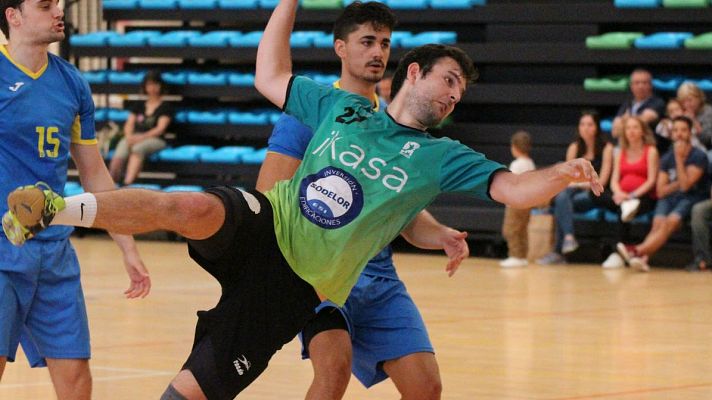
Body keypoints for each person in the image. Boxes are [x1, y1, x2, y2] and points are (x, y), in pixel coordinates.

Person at [4, 1, 602, 398]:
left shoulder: (442, 155)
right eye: (448, 81)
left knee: (197, 389)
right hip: (267, 226)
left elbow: (512, 188)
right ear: (414, 74)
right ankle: (55, 207)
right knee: (194, 208)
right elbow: (270, 75)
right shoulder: (338, 106)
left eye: (461, 92)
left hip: (303, 283)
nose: (454, 97)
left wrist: (563, 172)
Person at [256, 2, 455, 398]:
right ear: (340, 49)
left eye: (384, 43)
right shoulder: (309, 109)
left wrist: (442, 234)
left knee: (426, 387)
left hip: (377, 275)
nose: (378, 52)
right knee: (333, 371)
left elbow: (402, 215)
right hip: (319, 269)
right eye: (367, 41)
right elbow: (267, 195)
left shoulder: (392, 124)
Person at [0, 0, 151, 398]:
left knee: (76, 377)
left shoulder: (72, 83)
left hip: (53, 250)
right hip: (2, 250)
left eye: (60, 4)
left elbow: (94, 171)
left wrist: (126, 244)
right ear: (13, 16)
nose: (59, 11)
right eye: (46, 5)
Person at [617, 116, 708, 272]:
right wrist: (680, 180)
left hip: (690, 198)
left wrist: (679, 160)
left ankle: (637, 251)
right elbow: (660, 190)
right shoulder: (666, 157)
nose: (679, 134)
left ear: (690, 133)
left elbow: (686, 187)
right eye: (676, 130)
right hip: (668, 199)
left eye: (683, 130)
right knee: (657, 224)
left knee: (669, 223)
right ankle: (643, 259)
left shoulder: (698, 156)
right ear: (671, 134)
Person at [537, 111, 613, 265]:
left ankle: (559, 251)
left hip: (594, 194)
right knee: (562, 199)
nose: (585, 128)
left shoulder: (607, 148)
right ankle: (569, 238)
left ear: (597, 127)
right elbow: (567, 177)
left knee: (561, 200)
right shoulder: (574, 147)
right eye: (582, 124)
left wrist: (577, 184)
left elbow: (602, 181)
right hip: (573, 194)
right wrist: (575, 184)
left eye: (590, 124)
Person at [590, 116, 659, 269]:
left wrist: (632, 195)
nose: (632, 131)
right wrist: (619, 194)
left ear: (642, 131)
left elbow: (651, 180)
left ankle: (617, 252)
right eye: (628, 128)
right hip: (622, 196)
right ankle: (623, 251)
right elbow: (614, 180)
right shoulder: (620, 152)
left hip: (643, 197)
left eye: (635, 127)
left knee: (625, 209)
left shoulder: (651, 151)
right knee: (595, 194)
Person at [109, 70, 173, 185]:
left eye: (155, 84)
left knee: (138, 148)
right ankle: (111, 184)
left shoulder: (165, 107)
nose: (152, 88)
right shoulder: (139, 105)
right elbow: (129, 123)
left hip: (156, 139)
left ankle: (127, 184)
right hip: (135, 137)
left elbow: (160, 129)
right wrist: (129, 137)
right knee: (122, 148)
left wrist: (140, 137)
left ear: (161, 86)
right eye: (149, 84)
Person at [499, 130, 536, 268]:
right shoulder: (530, 163)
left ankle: (515, 255)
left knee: (511, 230)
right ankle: (522, 256)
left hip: (514, 204)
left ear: (514, 147)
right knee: (522, 230)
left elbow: (512, 183)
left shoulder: (516, 164)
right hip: (527, 203)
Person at [611, 69, 665, 142]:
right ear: (631, 86)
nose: (640, 86)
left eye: (644, 83)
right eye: (637, 83)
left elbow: (642, 122)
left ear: (650, 85)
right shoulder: (627, 103)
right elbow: (615, 132)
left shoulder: (657, 102)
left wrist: (625, 120)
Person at [677, 81, 712, 151]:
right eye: (684, 101)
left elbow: (708, 140)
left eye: (690, 100)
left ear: (699, 98)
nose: (687, 104)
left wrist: (693, 121)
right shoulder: (682, 113)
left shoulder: (709, 112)